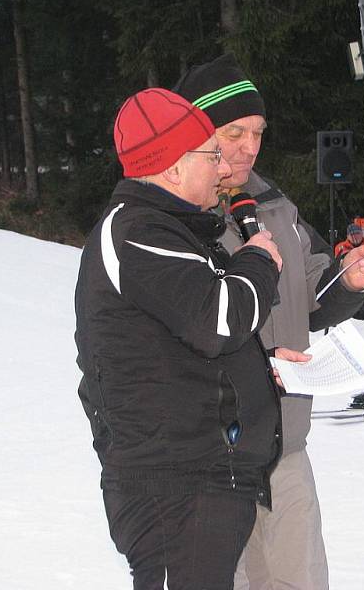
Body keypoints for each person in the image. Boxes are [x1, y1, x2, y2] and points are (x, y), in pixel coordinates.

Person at [174, 54, 364, 589]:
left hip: (284, 450)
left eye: (258, 132)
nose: (250, 146)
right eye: (235, 132)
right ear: (199, 133)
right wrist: (255, 367)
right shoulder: (169, 218)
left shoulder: (274, 206)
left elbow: (312, 297)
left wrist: (351, 278)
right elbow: (168, 338)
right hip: (208, 462)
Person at [74, 87, 286, 588]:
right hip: (174, 482)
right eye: (211, 154)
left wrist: (263, 362)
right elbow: (218, 320)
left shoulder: (171, 230)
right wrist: (258, 259)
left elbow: (181, 342)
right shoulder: (137, 232)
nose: (221, 167)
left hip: (200, 475)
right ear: (171, 167)